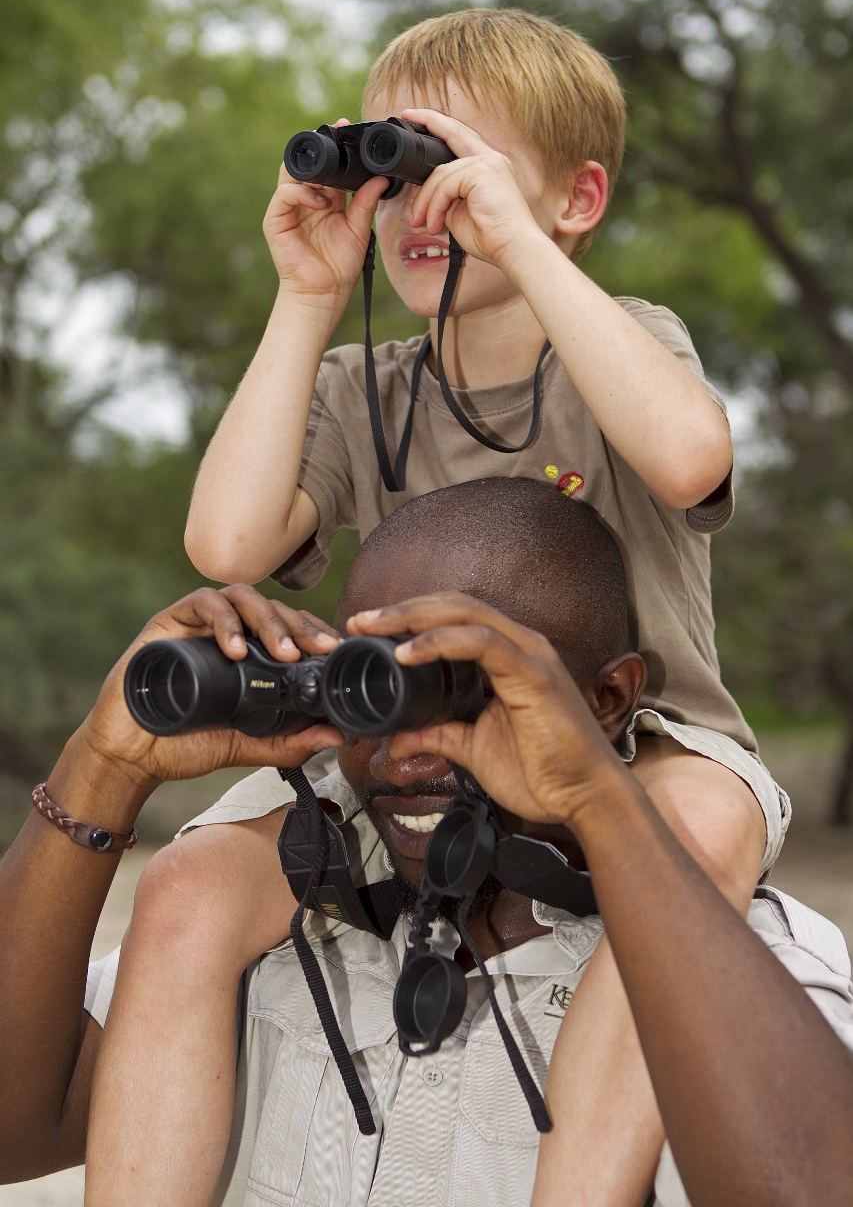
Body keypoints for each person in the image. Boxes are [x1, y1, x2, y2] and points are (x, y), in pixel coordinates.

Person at [98, 6, 789, 1203]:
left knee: (704, 831)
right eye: (392, 161)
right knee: (187, 884)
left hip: (639, 742)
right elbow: (225, 540)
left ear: (574, 200)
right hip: (409, 741)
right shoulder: (362, 386)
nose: (419, 204)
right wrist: (309, 291)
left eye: (453, 167)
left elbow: (688, 458)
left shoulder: (625, 343)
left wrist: (522, 248)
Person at [1, 480, 852, 1207]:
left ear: (605, 699)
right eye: (369, 683)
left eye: (455, 685)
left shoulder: (741, 983)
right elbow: (11, 1132)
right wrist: (103, 766)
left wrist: (595, 798)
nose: (404, 746)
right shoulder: (252, 941)